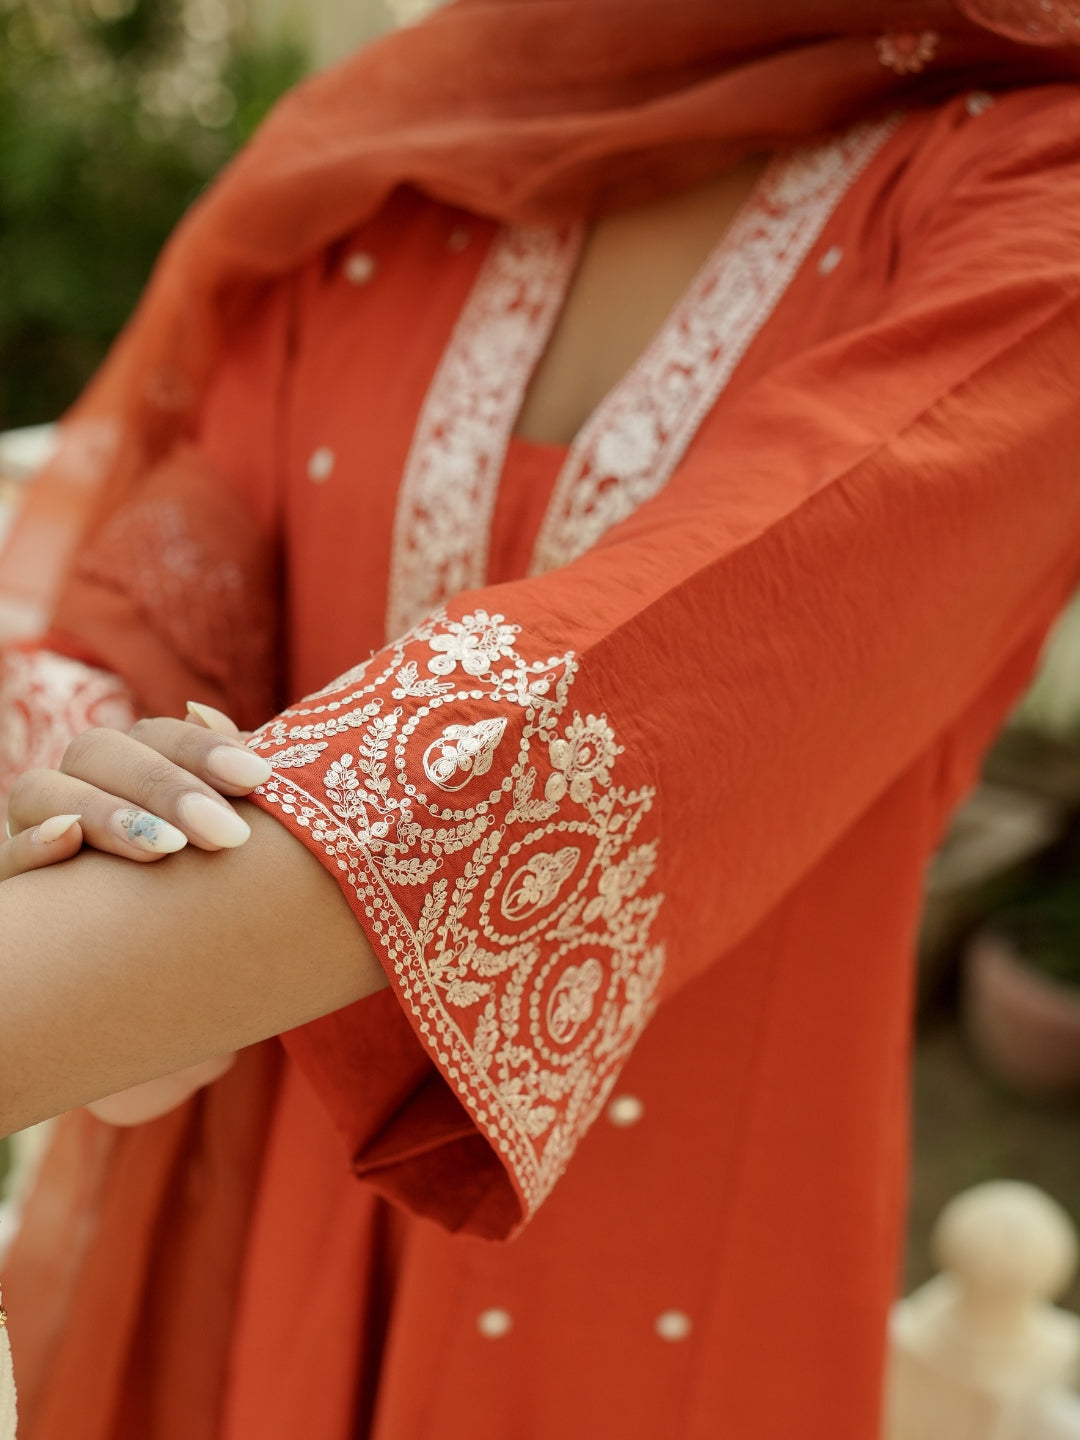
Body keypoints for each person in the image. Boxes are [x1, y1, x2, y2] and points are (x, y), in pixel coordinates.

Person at [1, 1, 1080, 1436]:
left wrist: (98, 980)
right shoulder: (406, 163)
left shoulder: (1032, 204)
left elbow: (654, 673)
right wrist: (102, 813)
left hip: (655, 1235)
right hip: (247, 1157)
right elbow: (159, 587)